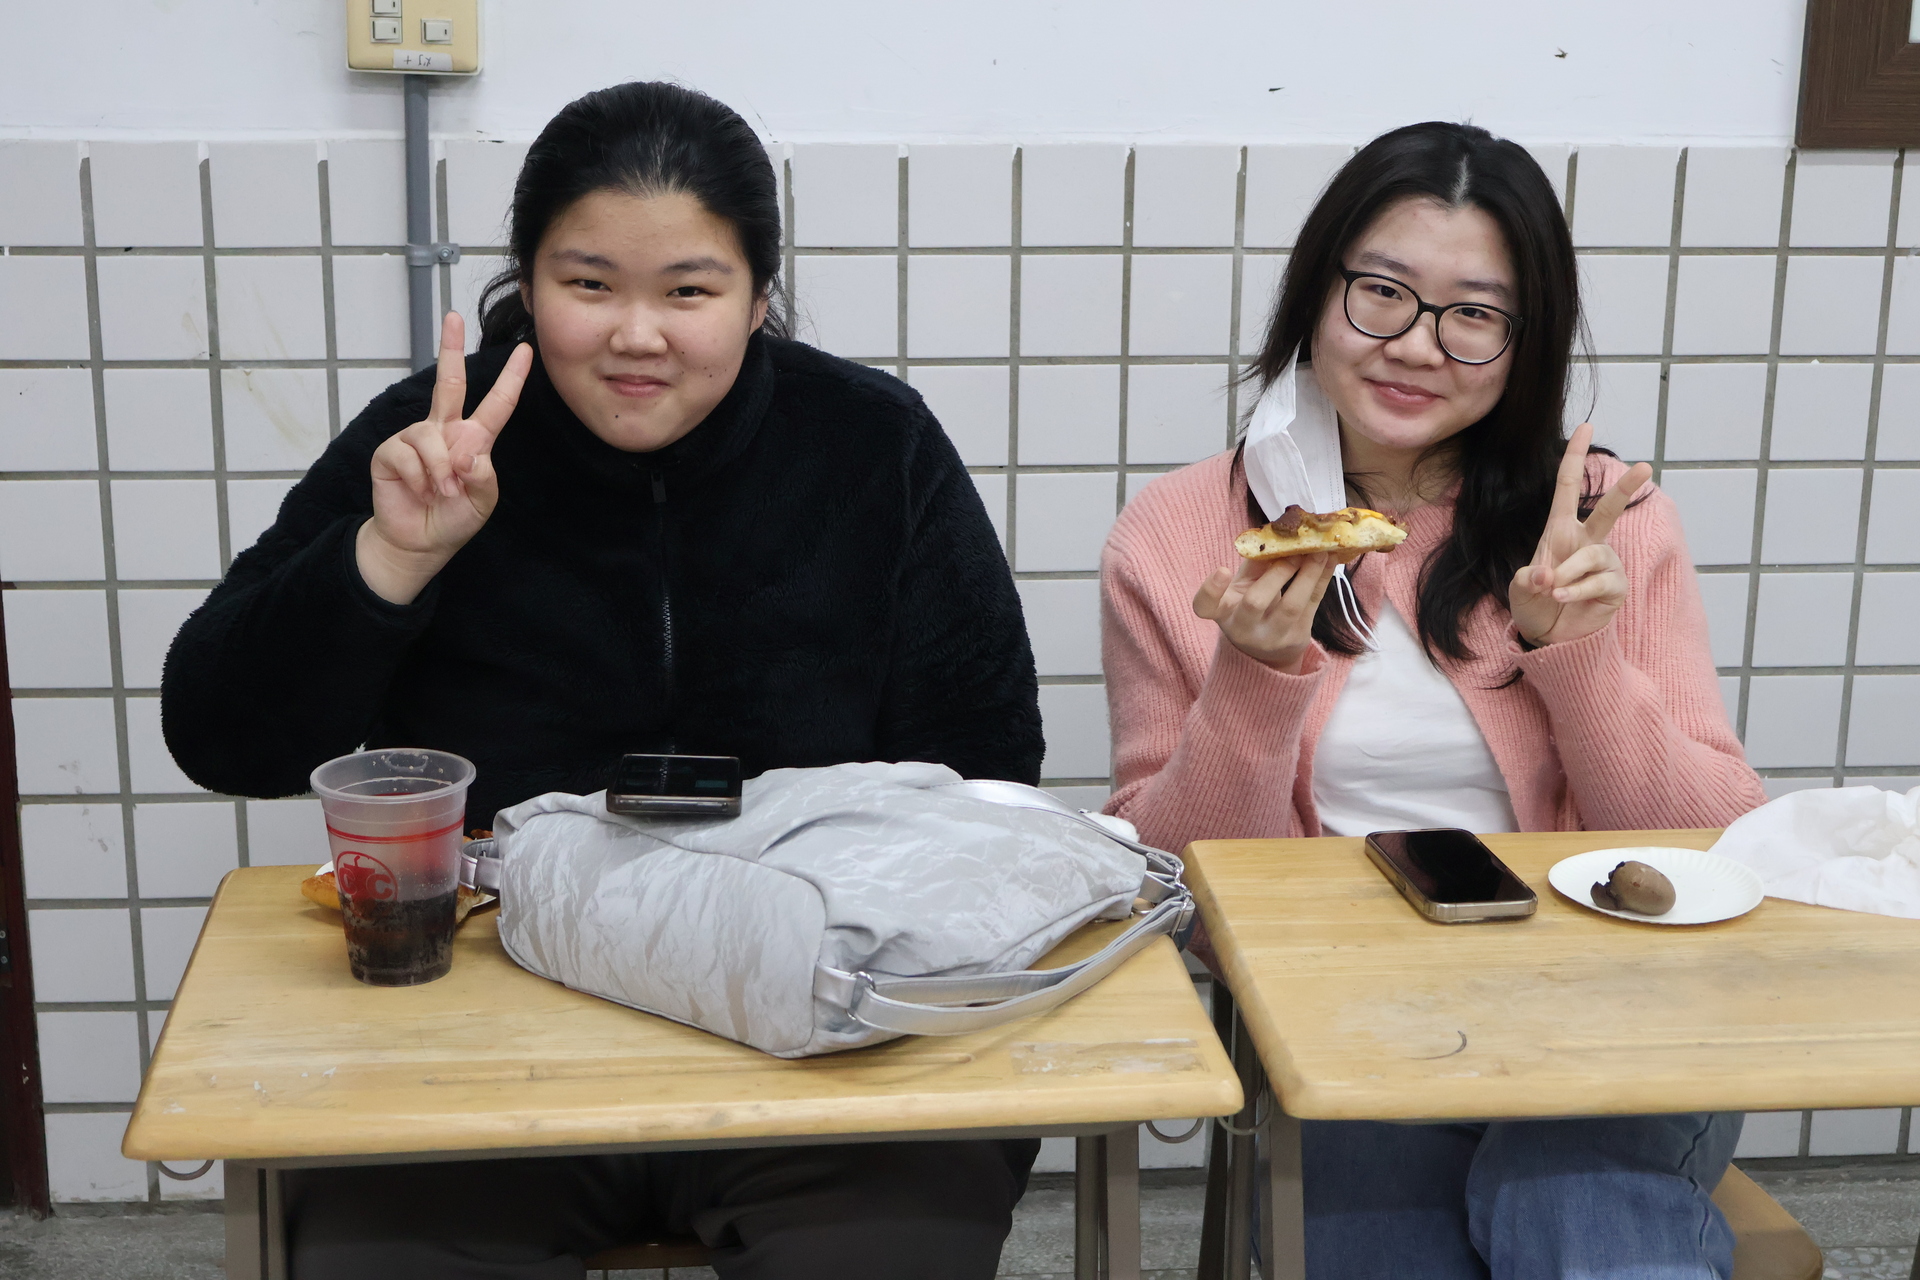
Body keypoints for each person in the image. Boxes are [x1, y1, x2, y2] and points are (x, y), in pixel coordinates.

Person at [162, 81, 1043, 1280]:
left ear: (758, 298)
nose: (638, 334)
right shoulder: (438, 439)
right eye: (589, 285)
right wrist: (389, 558)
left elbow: (986, 760)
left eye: (688, 291)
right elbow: (218, 733)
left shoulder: (871, 443)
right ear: (529, 286)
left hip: (819, 1028)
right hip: (479, 1032)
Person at [1099, 122, 1768, 1280]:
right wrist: (1251, 682)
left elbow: (1717, 838)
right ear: (1318, 294)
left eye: (1474, 314)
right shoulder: (1181, 533)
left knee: (1579, 1216)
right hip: (1348, 1019)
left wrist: (1579, 657)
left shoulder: (1600, 519)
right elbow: (1180, 898)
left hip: (1618, 1006)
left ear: (1525, 342)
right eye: (1382, 293)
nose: (1417, 344)